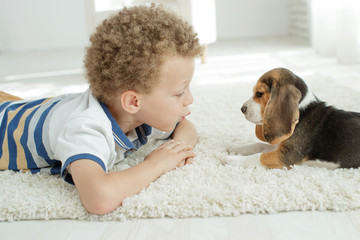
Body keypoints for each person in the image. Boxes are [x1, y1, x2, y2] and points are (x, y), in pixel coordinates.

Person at [0, 4, 203, 215]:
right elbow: (99, 198)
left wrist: (178, 149)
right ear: (133, 102)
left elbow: (185, 125)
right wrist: (156, 164)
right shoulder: (85, 128)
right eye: (180, 92)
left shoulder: (139, 115)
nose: (190, 99)